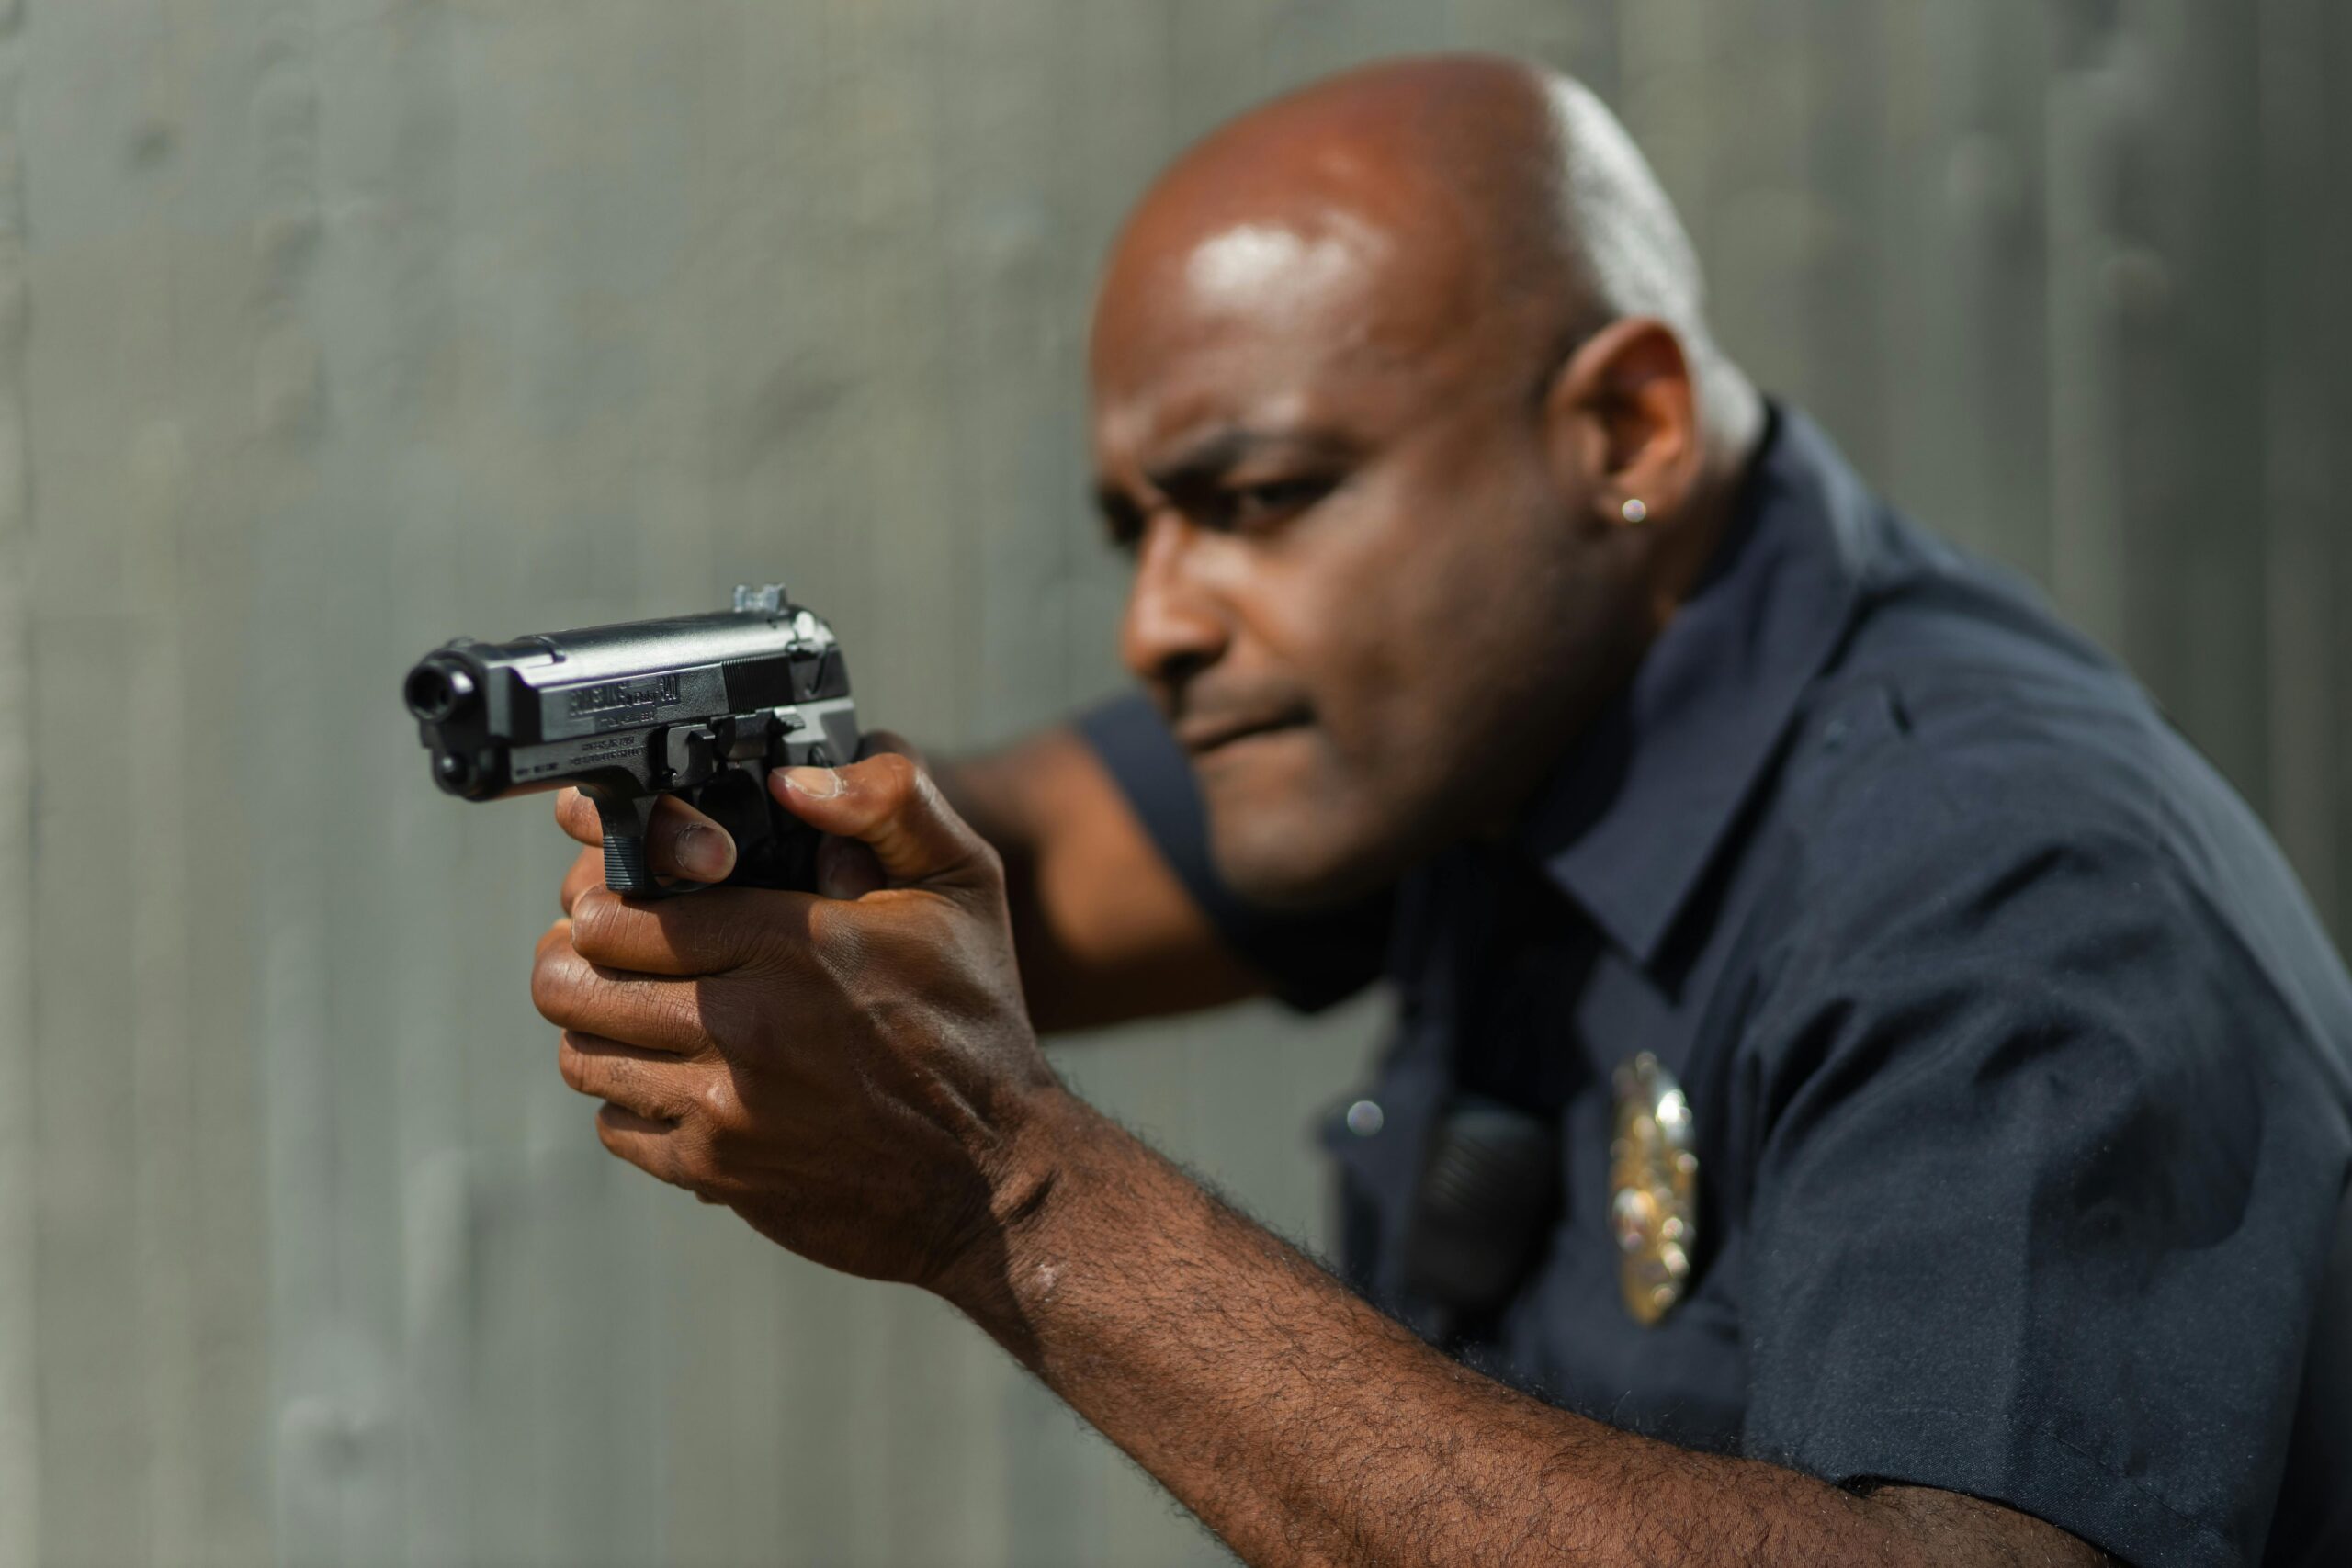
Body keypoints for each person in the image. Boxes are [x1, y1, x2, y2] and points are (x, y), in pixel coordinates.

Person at [527, 54, 2351, 1566]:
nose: (1158, 618)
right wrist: (750, 820)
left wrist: (1008, 1189)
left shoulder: (2001, 879)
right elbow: (1020, 869)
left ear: (1622, 429)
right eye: (1137, 528)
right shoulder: (1491, 701)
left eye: (1254, 498)